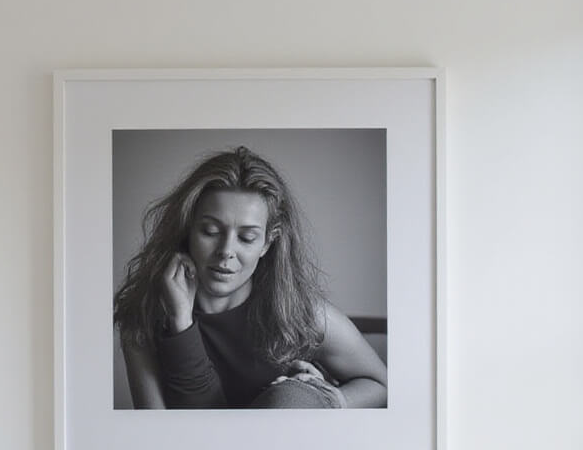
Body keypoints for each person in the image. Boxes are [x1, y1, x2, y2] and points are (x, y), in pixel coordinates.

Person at [114, 144, 388, 410]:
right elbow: (161, 432)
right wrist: (181, 324)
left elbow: (381, 384)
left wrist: (329, 400)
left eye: (246, 237)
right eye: (210, 231)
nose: (226, 251)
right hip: (194, 444)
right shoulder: (143, 318)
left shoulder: (303, 314)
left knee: (291, 400)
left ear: (267, 243)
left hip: (288, 441)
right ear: (188, 229)